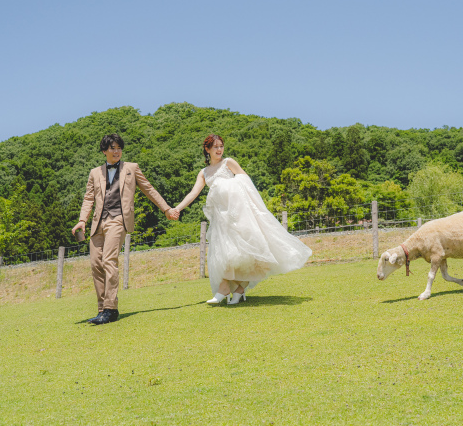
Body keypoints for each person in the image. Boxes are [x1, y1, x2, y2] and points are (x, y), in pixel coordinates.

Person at [172, 134, 311, 305]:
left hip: (240, 214)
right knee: (226, 254)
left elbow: (246, 181)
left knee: (249, 253)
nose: (219, 150)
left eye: (221, 146)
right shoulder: (204, 173)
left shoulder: (228, 163)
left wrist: (242, 198)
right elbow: (193, 193)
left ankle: (238, 290)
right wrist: (177, 208)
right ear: (207, 150)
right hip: (222, 220)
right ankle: (224, 289)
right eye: (215, 147)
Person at [72, 133, 178, 324]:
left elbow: (149, 189)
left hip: (118, 219)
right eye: (112, 148)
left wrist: (166, 209)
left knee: (108, 260)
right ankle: (101, 309)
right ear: (104, 151)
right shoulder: (95, 173)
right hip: (97, 223)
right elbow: (88, 198)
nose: (117, 151)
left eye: (119, 148)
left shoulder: (132, 168)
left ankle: (111, 309)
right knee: (96, 264)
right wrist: (82, 220)